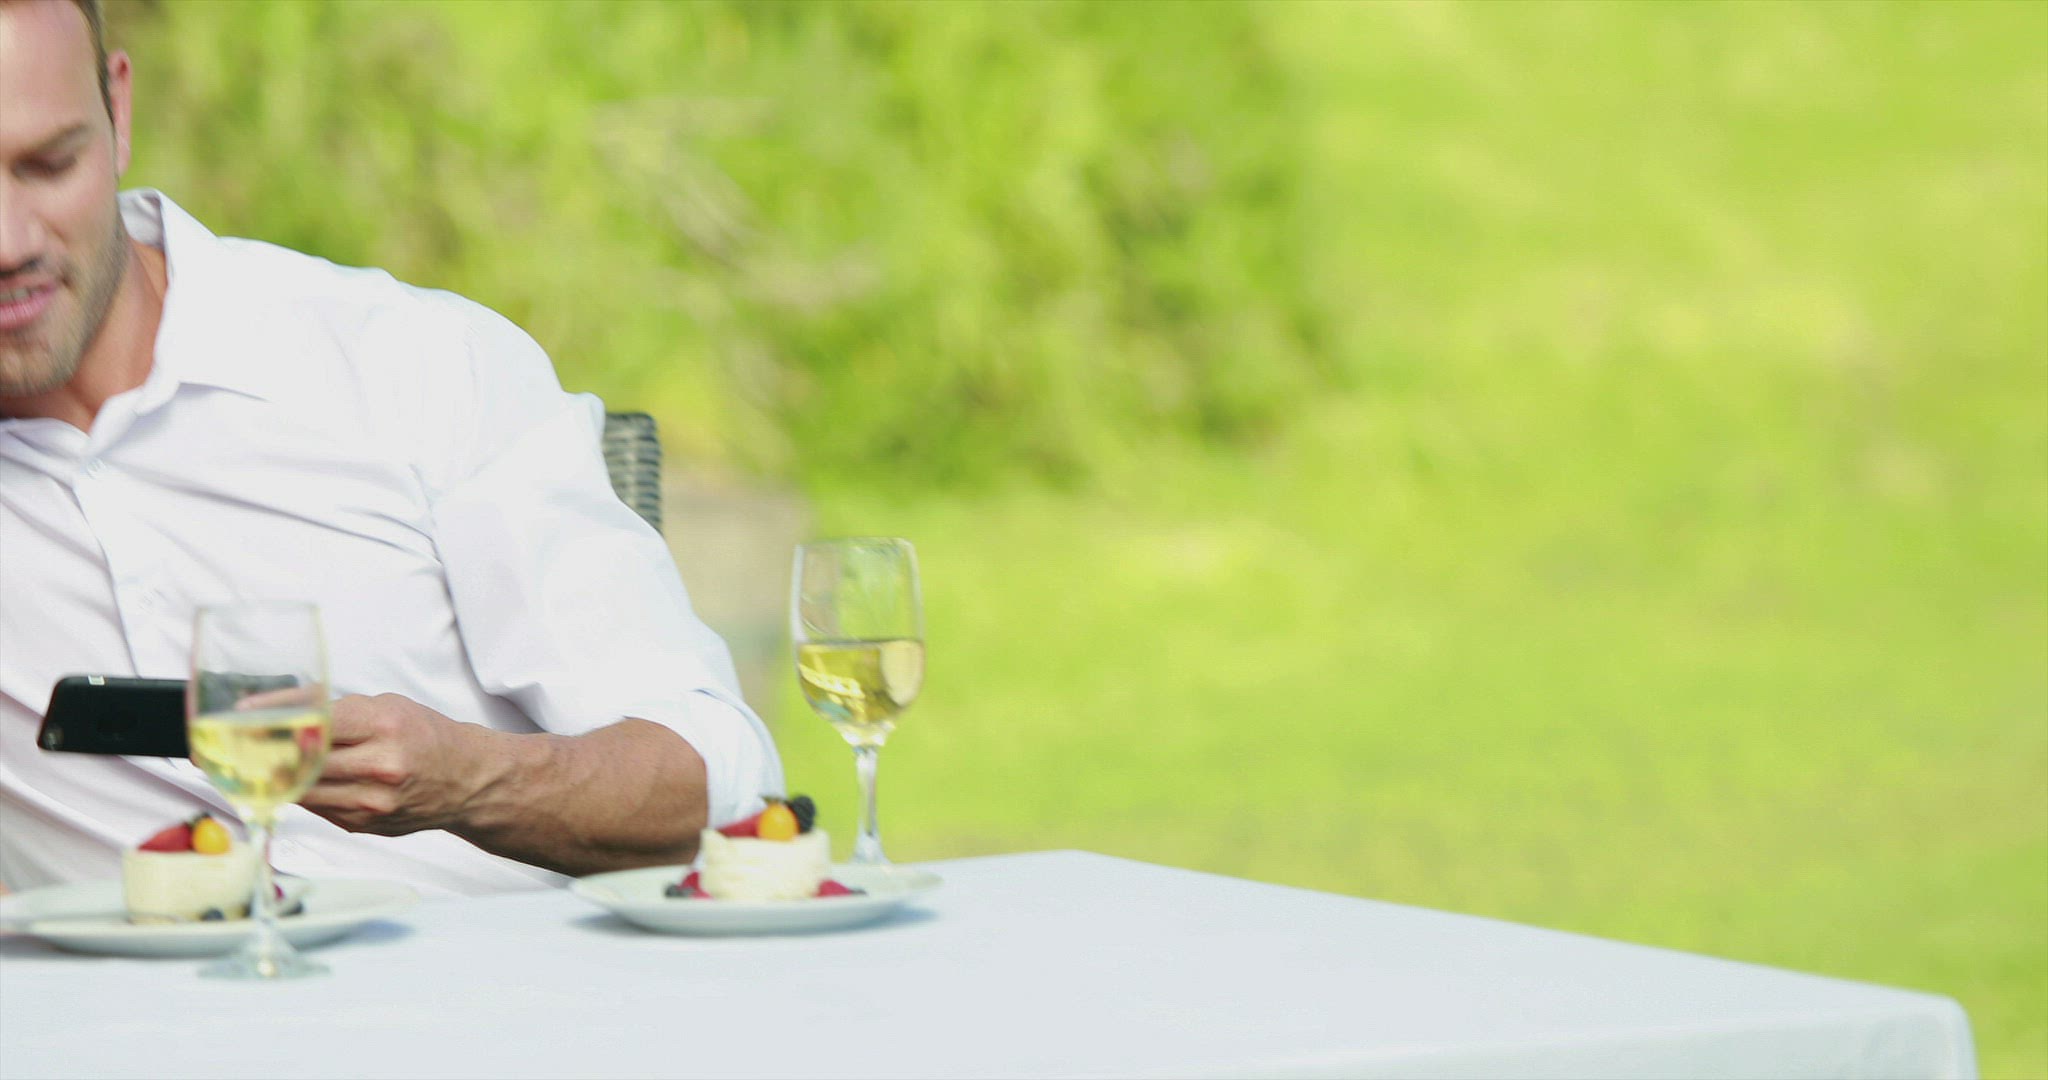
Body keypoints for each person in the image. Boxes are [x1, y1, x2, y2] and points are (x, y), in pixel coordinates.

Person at [0, 0, 784, 896]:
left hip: (496, 975)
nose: (9, 242)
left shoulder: (412, 363)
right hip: (138, 986)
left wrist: (469, 778)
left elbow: (718, 785)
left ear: (118, 111)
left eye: (50, 165)